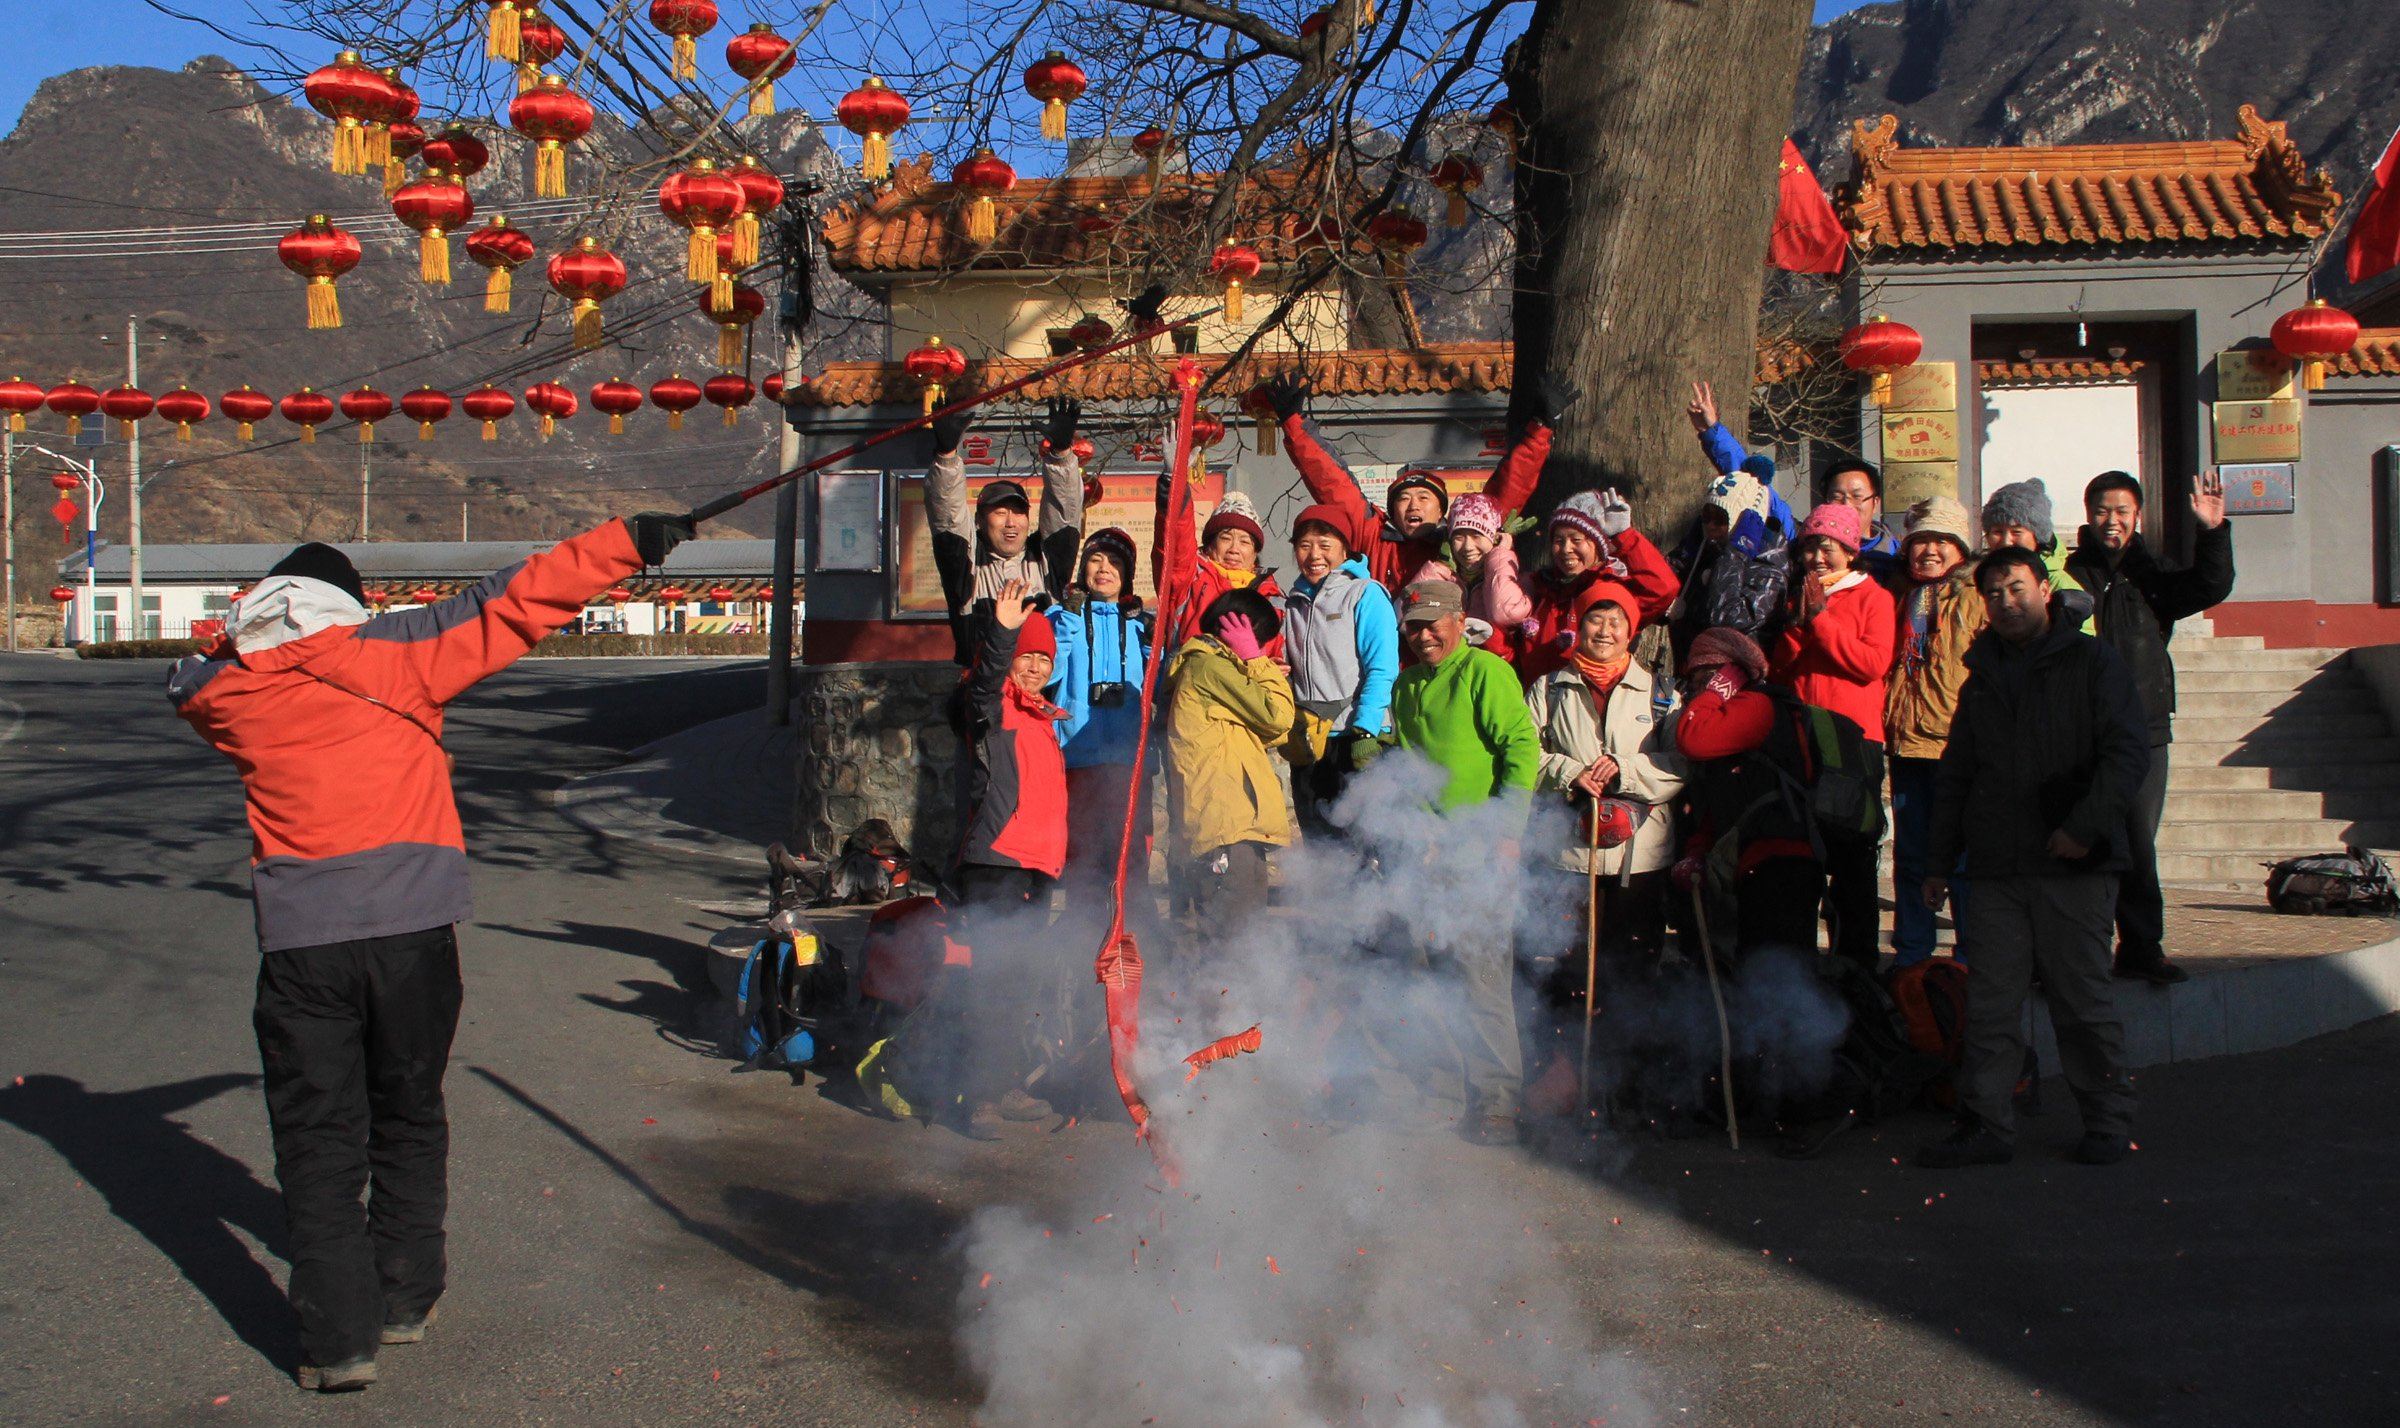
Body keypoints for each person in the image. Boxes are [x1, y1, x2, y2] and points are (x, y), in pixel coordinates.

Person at [164, 513, 689, 1390]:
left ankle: (337, 1342)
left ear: (267, 607)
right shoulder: (397, 652)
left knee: (315, 1135)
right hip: (413, 938)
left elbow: (185, 679)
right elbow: (515, 602)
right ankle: (405, 1296)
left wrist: (240, 636)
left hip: (302, 946)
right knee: (407, 1111)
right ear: (347, 607)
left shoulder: (230, 694)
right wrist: (628, 541)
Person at [1919, 547, 2149, 1169]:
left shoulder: (2093, 662)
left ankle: (2106, 1118)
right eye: (1993, 594)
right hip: (1997, 867)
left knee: (2081, 1001)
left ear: (2045, 590)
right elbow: (1957, 774)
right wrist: (1938, 862)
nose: (2006, 603)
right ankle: (1986, 1123)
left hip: (2074, 864)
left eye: (2016, 589)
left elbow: (2127, 755)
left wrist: (2084, 827)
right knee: (1991, 1005)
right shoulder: (1981, 675)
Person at [1389, 578, 1544, 1142]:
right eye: (1414, 626)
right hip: (1429, 853)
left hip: (1482, 849)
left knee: (1482, 977)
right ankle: (1447, 1090)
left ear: (1459, 621)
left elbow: (1520, 751)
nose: (1424, 635)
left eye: (1433, 623)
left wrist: (1507, 834)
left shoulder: (1486, 672)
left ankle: (1499, 1098)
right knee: (1427, 975)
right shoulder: (1406, 687)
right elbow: (1407, 769)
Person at [2067, 471, 2234, 987]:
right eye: (2102, 509)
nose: (2111, 520)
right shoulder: (2071, 574)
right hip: (2079, 726)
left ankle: (2141, 946)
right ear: (2088, 513)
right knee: (2082, 837)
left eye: (2122, 510)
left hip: (2141, 726)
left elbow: (2210, 585)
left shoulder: (2154, 574)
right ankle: (2076, 951)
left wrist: (2212, 532)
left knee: (2138, 839)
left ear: (2137, 515)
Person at [1265, 373, 1572, 592]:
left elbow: (1508, 489)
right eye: (1403, 498)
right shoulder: (1373, 536)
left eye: (1424, 498)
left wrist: (1541, 428)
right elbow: (1330, 482)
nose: (1413, 505)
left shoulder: (1461, 538)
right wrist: (1294, 422)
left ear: (1442, 511)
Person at [1525, 581, 1685, 963]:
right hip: (1568, 855)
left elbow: (1681, 763)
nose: (1605, 631)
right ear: (1578, 628)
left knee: (1633, 968)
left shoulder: (1661, 694)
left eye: (1616, 622)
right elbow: (1524, 756)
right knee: (1569, 967)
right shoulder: (1548, 689)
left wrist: (1623, 771)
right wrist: (1570, 773)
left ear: (1631, 632)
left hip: (1641, 856)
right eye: (1595, 620)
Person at [1769, 502, 1897, 972]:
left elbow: (1871, 664)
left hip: (1852, 744)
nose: (1818, 558)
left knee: (1850, 861)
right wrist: (1797, 627)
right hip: (1803, 738)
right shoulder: (1799, 594)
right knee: (1802, 854)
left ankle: (1856, 965)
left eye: (1829, 547)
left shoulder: (1874, 598)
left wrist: (1821, 620)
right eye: (1811, 547)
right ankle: (1800, 963)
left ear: (1850, 550)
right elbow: (1784, 670)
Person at [1671, 627, 1822, 959]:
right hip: (1755, 863)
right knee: (1751, 973)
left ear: (1729, 674)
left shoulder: (1757, 705)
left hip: (1779, 862)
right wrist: (1698, 849)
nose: (1698, 689)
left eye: (1705, 677)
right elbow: (1726, 793)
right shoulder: (1737, 711)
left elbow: (1692, 738)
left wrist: (1716, 690)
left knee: (1777, 977)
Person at [1884, 496, 1986, 968]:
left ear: (1960, 548)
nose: (1929, 550)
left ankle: (1969, 952)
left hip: (1957, 746)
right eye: (1921, 540)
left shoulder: (1977, 596)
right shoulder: (1905, 596)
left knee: (1962, 857)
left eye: (1941, 541)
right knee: (1911, 855)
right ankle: (1912, 953)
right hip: (1907, 743)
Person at [1161, 588, 1294, 938]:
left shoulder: (1209, 668)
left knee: (1235, 939)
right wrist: (1258, 663)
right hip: (1226, 828)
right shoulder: (1211, 666)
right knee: (1235, 944)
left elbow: (1271, 735)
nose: (1262, 651)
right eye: (1259, 641)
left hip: (1230, 826)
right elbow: (1279, 717)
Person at [925, 396, 1086, 664]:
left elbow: (1064, 511)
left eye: (1018, 512)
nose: (1011, 522)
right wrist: (946, 457)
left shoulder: (1046, 562)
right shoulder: (967, 566)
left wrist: (1061, 455)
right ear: (980, 521)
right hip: (984, 692)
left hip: (1039, 689)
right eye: (1000, 513)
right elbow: (948, 517)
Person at [1046, 528, 1156, 899]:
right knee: (1084, 856)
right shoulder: (1060, 617)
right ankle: (1083, 937)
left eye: (1114, 562)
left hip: (1129, 759)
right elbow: (1048, 672)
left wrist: (1156, 642)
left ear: (1126, 574)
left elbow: (1161, 682)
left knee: (1131, 857)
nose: (1104, 568)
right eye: (1095, 559)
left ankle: (1133, 936)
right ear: (1083, 570)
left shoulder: (1141, 623)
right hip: (1078, 756)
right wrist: (1069, 621)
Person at [1280, 504, 1399, 837]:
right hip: (1310, 741)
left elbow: (1382, 667)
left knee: (1364, 843)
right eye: (1304, 545)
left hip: (1355, 736)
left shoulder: (1365, 594)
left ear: (1345, 549)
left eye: (1324, 544)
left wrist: (1366, 729)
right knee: (1319, 843)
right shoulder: (1292, 602)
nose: (1314, 554)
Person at [1512, 490, 1681, 683]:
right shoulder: (1538, 588)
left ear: (1598, 546)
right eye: (1559, 541)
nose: (1566, 549)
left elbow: (1662, 587)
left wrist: (1624, 537)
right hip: (1535, 703)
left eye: (1576, 540)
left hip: (1588, 703)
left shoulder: (1612, 590)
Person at [1666, 467, 1795, 654]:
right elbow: (1660, 588)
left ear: (1742, 522)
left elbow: (1724, 620)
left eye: (1720, 519)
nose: (1710, 526)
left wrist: (1736, 552)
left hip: (1735, 677)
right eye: (1706, 516)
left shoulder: (1770, 569)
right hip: (1691, 670)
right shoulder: (1705, 548)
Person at [1159, 488, 1283, 653]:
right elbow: (1177, 536)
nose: (1234, 549)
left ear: (1255, 553)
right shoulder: (1191, 578)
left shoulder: (1271, 595)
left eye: (1244, 542)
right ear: (1210, 545)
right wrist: (1174, 485)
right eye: (1225, 539)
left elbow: (1278, 650)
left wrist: (1275, 666)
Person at [1980, 479, 2089, 630]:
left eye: (2016, 532)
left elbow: (2082, 644)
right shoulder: (1980, 579)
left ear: (2037, 536)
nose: (2006, 542)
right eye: (1997, 532)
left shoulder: (2061, 586)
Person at [1443, 492, 1534, 651]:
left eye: (1477, 535)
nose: (1467, 547)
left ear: (1495, 537)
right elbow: (1405, 616)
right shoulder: (1445, 576)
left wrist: (1499, 556)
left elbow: (1505, 613)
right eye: (1458, 537)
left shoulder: (1517, 578)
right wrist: (1439, 566)